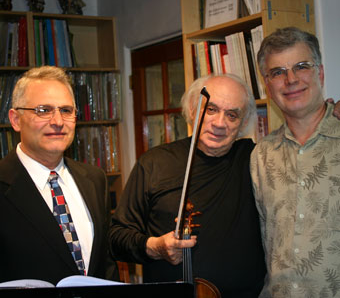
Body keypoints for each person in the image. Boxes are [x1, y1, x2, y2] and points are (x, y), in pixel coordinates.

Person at [109, 74, 267, 297]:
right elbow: (117, 238)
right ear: (193, 110)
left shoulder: (255, 159)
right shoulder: (155, 162)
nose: (220, 123)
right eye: (211, 109)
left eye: (232, 115)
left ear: (242, 123)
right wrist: (155, 247)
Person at [0, 66, 118, 284]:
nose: (57, 121)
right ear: (16, 119)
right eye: (43, 110)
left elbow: (106, 265)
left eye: (66, 110)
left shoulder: (94, 180)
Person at [250, 27, 340, 297]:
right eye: (277, 72)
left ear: (320, 73)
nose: (290, 79)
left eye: (301, 66)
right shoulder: (262, 155)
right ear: (267, 85)